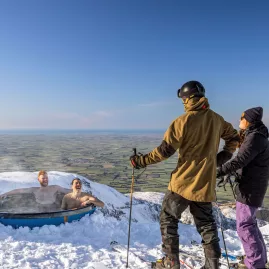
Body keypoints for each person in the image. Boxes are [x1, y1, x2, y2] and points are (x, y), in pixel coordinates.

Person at [130, 81, 240, 269]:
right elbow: (234, 139)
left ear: (187, 98)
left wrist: (140, 161)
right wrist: (220, 159)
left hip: (182, 183)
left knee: (168, 219)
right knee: (206, 225)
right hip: (205, 184)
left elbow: (164, 152)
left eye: (183, 98)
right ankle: (212, 265)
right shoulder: (217, 119)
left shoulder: (182, 121)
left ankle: (171, 263)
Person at [217, 107, 269, 269]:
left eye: (242, 117)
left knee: (244, 226)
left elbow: (239, 161)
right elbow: (246, 162)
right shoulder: (256, 136)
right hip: (252, 185)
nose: (239, 120)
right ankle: (259, 260)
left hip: (250, 188)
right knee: (249, 224)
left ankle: (255, 263)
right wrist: (231, 174)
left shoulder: (254, 138)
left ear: (249, 120)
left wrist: (217, 172)